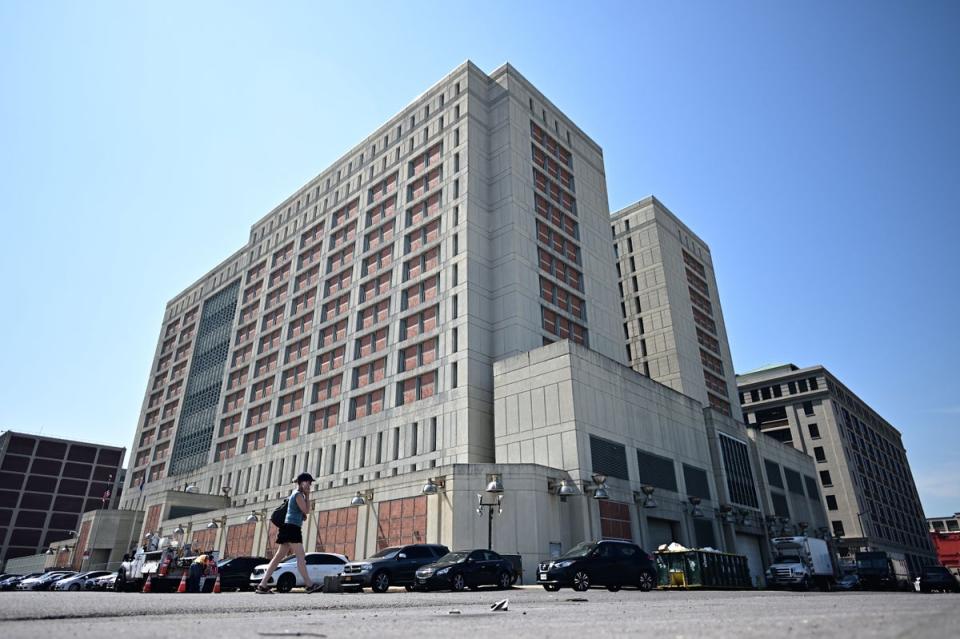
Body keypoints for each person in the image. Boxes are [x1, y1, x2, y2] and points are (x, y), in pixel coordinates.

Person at [256, 472, 321, 594]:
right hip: (292, 528)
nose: (310, 485)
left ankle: (262, 585)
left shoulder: (296, 495)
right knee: (301, 556)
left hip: (288, 527)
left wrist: (302, 512)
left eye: (310, 483)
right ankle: (309, 584)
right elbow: (307, 510)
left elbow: (301, 512)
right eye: (308, 482)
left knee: (278, 557)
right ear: (301, 482)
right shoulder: (298, 495)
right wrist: (307, 496)